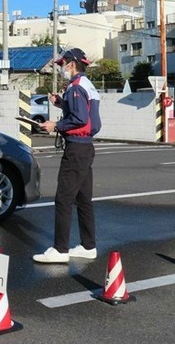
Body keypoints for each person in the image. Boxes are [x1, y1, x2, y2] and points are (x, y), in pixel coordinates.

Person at [33, 48, 102, 263]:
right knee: (83, 199)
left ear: (71, 63)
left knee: (63, 198)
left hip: (76, 149)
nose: (61, 67)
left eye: (63, 64)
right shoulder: (86, 85)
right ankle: (88, 246)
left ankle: (60, 249)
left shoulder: (75, 87)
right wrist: (60, 104)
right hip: (86, 147)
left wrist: (55, 125)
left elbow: (80, 119)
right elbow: (85, 116)